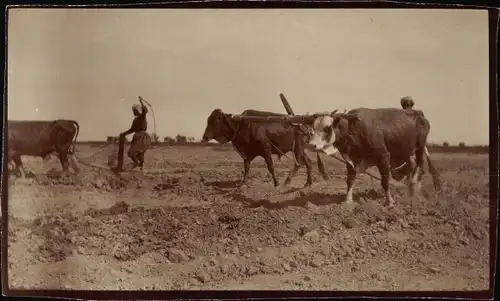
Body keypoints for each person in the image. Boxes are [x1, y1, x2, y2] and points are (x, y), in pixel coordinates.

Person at [119, 96, 152, 170]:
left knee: (135, 152)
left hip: (142, 137)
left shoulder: (142, 117)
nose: (134, 112)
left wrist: (141, 101)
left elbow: (145, 111)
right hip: (137, 137)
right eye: (133, 110)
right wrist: (124, 134)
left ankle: (138, 165)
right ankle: (138, 166)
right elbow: (132, 129)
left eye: (135, 110)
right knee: (133, 153)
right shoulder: (135, 120)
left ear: (138, 110)